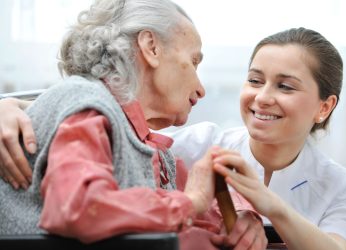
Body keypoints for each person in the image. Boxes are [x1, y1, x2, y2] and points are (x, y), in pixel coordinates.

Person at [0, 28, 346, 249]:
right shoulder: (199, 145)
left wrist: (267, 207)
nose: (262, 97)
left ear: (324, 107)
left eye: (284, 86)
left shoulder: (339, 185)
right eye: (254, 80)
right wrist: (10, 106)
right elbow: (112, 116)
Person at [0, 0, 267, 250]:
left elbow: (201, 205)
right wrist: (190, 202)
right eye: (193, 61)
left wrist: (244, 217)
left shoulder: (146, 145)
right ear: (151, 47)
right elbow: (79, 208)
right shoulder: (86, 107)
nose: (201, 89)